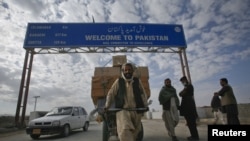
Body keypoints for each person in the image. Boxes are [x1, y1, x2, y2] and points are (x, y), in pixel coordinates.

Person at [104, 63, 149, 141]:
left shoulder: (137, 81)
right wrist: (107, 106)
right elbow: (111, 94)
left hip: (135, 111)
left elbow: (143, 93)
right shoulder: (118, 81)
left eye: (129, 70)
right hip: (123, 111)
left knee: (135, 131)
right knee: (125, 130)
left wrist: (145, 105)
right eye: (126, 70)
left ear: (132, 71)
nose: (128, 72)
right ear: (123, 71)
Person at [179, 76, 199, 141]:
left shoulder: (189, 86)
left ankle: (195, 137)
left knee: (192, 123)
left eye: (183, 81)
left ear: (185, 80)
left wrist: (183, 91)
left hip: (189, 107)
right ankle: (193, 136)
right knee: (190, 123)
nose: (182, 82)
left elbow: (181, 94)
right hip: (187, 108)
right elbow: (180, 94)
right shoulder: (186, 87)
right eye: (182, 82)